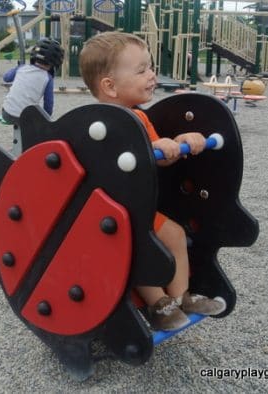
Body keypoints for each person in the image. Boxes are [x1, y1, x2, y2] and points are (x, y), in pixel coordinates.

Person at [79, 31, 226, 331]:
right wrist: (155, 149)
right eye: (142, 70)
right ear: (110, 86)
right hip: (109, 215)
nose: (152, 75)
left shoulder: (140, 118)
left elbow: (161, 155)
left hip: (138, 207)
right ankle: (157, 303)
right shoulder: (94, 122)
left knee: (172, 233)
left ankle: (181, 296)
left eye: (150, 67)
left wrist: (181, 142)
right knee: (135, 244)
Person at [1, 37, 63, 126]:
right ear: (54, 64)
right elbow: (48, 104)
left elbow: (6, 78)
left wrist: (17, 68)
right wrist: (47, 119)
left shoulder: (22, 67)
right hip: (26, 118)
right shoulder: (47, 78)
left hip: (7, 113)